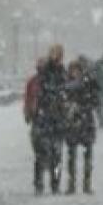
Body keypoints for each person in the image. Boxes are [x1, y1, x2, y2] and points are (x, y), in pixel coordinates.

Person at [28, 45, 69, 195]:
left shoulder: (63, 73)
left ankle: (55, 184)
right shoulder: (45, 73)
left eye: (58, 54)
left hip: (57, 120)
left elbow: (65, 91)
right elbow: (41, 91)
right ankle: (39, 184)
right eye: (53, 53)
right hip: (44, 118)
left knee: (57, 155)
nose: (56, 56)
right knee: (41, 153)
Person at [63, 59, 101, 195]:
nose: (75, 73)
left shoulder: (88, 84)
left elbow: (95, 102)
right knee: (71, 156)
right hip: (72, 124)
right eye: (73, 70)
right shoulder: (66, 85)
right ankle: (71, 184)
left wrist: (82, 107)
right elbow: (61, 103)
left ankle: (86, 184)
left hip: (85, 124)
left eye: (77, 70)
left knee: (87, 156)